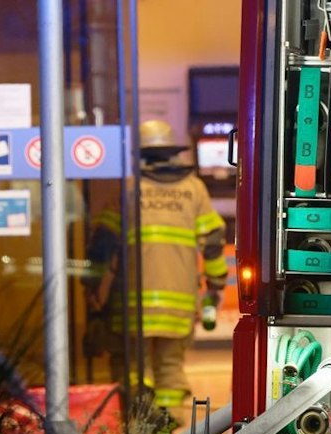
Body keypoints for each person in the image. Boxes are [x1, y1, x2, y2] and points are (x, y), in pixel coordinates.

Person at [88, 120, 228, 412]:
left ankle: (139, 424)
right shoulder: (194, 189)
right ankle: (166, 426)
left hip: (131, 305)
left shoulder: (128, 190)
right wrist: (215, 284)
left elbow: (102, 242)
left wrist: (90, 287)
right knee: (170, 370)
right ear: (172, 153)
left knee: (133, 369)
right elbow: (214, 240)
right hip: (179, 303)